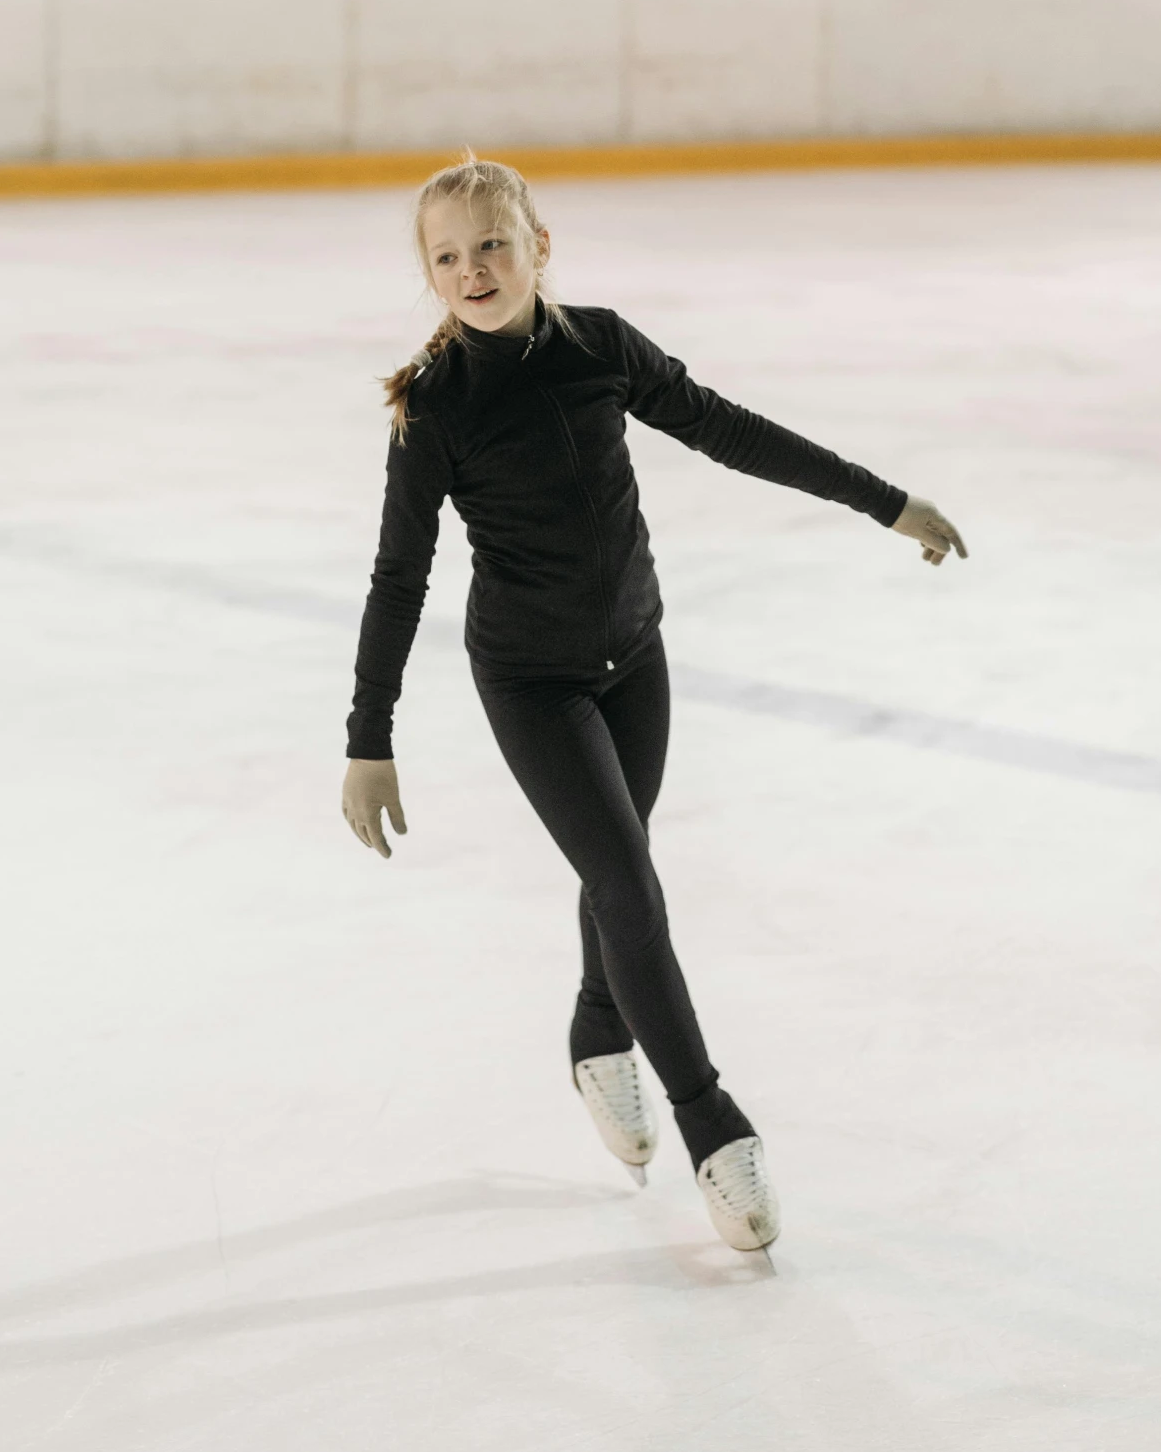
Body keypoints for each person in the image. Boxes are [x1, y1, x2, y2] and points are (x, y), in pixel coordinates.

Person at [342, 156, 966, 1252]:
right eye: (446, 256)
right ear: (427, 274)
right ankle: (713, 1129)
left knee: (614, 865)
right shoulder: (434, 407)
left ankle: (595, 1032)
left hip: (635, 655)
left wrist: (883, 502)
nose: (472, 269)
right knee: (628, 882)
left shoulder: (603, 347)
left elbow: (729, 429)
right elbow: (399, 577)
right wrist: (368, 739)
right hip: (531, 681)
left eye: (492, 243)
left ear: (540, 244)